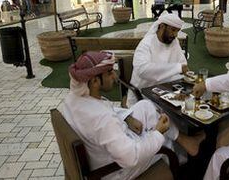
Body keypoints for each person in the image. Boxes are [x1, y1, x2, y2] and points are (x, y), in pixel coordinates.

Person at [63, 51, 205, 180]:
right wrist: (157, 133)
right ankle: (181, 166)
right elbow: (130, 158)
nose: (115, 76)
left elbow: (107, 112)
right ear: (94, 81)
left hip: (108, 151)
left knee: (146, 106)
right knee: (163, 142)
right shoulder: (103, 119)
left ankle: (185, 142)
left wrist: (128, 118)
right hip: (116, 171)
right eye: (110, 72)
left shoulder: (73, 99)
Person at [129, 12, 188, 107]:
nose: (175, 35)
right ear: (161, 26)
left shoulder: (173, 42)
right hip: (145, 93)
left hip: (168, 90)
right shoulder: (146, 44)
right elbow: (143, 70)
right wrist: (176, 68)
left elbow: (183, 64)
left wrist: (181, 70)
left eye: (177, 31)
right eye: (173, 30)